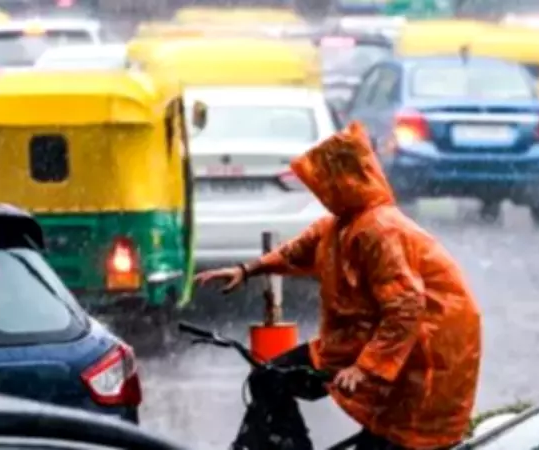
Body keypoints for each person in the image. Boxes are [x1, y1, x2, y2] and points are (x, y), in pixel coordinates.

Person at [196, 122, 482, 450]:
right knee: (270, 379)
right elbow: (298, 251)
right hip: (377, 344)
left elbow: (406, 307)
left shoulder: (380, 230)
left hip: (428, 353)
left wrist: (366, 368)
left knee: (400, 435)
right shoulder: (343, 225)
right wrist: (247, 270)